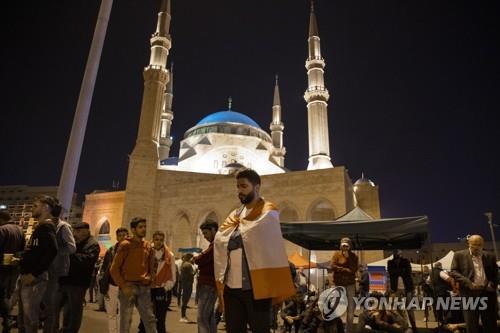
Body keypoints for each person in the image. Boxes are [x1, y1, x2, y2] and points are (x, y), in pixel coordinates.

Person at [214, 168, 295, 333]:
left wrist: (235, 237)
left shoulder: (268, 210)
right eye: (238, 187)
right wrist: (236, 237)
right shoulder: (235, 214)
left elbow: (249, 235)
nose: (240, 191)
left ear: (256, 187)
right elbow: (220, 238)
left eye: (244, 186)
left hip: (256, 287)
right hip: (232, 287)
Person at [110, 217, 157, 333]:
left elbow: (152, 266)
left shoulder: (148, 246)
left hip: (144, 288)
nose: (144, 229)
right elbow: (114, 269)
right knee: (125, 321)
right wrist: (123, 286)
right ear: (133, 229)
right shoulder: (125, 245)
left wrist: (151, 280)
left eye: (145, 227)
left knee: (150, 319)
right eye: (140, 227)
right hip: (128, 287)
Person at [18, 196, 58, 333]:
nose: (32, 208)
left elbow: (52, 250)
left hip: (34, 279)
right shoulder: (41, 227)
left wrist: (34, 274)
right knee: (28, 316)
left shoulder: (46, 227)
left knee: (30, 318)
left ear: (46, 207)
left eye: (35, 206)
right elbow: (37, 251)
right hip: (29, 277)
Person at [449, 234, 498, 333]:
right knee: (472, 325)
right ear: (468, 244)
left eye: (479, 245)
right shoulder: (459, 255)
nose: (476, 247)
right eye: (474, 245)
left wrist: (492, 284)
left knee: (490, 325)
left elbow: (496, 274)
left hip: (487, 294)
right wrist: (468, 283)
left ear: (483, 244)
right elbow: (454, 272)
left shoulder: (490, 256)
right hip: (469, 294)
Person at [58, 222, 100, 333]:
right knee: (65, 309)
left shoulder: (92, 244)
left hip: (78, 283)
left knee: (74, 310)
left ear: (87, 231)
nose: (75, 233)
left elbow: (86, 261)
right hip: (66, 280)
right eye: (74, 231)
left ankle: (71, 330)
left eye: (79, 231)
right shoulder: (76, 242)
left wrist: (69, 254)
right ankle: (64, 329)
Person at [43, 203, 76, 333]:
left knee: (52, 306)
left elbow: (72, 248)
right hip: (46, 269)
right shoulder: (47, 226)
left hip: (56, 271)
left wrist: (55, 250)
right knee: (47, 304)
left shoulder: (64, 227)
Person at [138, 230, 175, 333]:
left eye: (161, 240)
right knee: (145, 317)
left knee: (160, 318)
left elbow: (173, 276)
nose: (159, 242)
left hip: (161, 290)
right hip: (148, 288)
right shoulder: (146, 253)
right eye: (157, 239)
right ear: (153, 240)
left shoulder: (169, 255)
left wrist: (165, 288)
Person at [99, 227, 129, 333]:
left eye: (124, 235)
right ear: (116, 237)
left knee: (123, 314)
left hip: (125, 286)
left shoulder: (132, 252)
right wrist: (103, 284)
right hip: (111, 285)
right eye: (120, 235)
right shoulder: (111, 250)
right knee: (111, 313)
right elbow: (104, 268)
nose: (122, 237)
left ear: (128, 236)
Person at [0, 209, 25, 333]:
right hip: (13, 266)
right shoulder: (19, 230)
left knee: (2, 295)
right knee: (5, 294)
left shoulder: (3, 230)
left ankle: (7, 319)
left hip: (1, 267)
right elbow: (22, 249)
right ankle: (7, 319)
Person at [193, 219, 219, 333]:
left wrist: (197, 257)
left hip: (208, 285)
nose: (204, 236)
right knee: (209, 317)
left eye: (206, 233)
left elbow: (200, 259)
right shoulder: (214, 244)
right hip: (210, 284)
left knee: (202, 318)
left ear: (213, 230)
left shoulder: (216, 244)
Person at [330, 237, 359, 333]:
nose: (344, 248)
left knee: (350, 309)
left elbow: (354, 269)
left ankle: (349, 330)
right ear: (340, 246)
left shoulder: (354, 256)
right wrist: (346, 270)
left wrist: (348, 258)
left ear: (349, 246)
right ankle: (336, 329)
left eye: (346, 246)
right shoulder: (336, 255)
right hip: (339, 284)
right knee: (337, 307)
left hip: (350, 284)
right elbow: (332, 266)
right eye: (343, 246)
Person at [387, 249, 417, 331]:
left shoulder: (406, 261)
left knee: (409, 308)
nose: (397, 254)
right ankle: (402, 326)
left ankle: (414, 326)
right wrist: (401, 271)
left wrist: (397, 272)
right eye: (396, 252)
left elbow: (408, 271)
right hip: (396, 289)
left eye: (398, 252)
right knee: (398, 308)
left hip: (407, 288)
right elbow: (391, 272)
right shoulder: (390, 262)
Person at [179, 253, 195, 322]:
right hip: (188, 284)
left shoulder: (184, 264)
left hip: (185, 283)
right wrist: (196, 270)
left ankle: (183, 316)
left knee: (184, 300)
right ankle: (183, 316)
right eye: (192, 258)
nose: (193, 259)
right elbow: (192, 273)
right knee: (185, 300)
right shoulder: (188, 265)